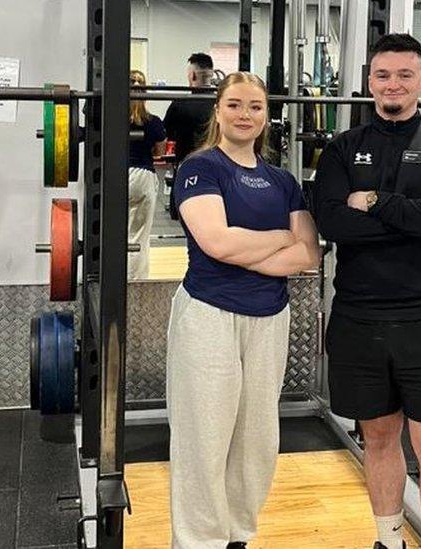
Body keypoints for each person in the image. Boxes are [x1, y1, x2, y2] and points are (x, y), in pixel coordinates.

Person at [310, 34, 421, 549]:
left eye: (405, 74)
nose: (393, 84)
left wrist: (375, 201)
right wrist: (409, 214)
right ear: (369, 82)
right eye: (383, 75)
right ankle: (389, 539)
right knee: (378, 440)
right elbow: (332, 221)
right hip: (358, 317)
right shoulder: (341, 148)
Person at [166, 71, 321, 549]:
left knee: (256, 439)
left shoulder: (282, 180)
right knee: (204, 435)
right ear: (217, 110)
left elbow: (310, 255)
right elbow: (215, 242)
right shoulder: (201, 169)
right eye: (234, 104)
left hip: (270, 318)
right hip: (209, 314)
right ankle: (198, 542)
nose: (244, 115)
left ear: (266, 115)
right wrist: (279, 239)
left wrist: (248, 249)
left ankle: (238, 536)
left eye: (254, 106)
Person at [164, 53, 217, 219]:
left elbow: (167, 134)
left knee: (186, 217)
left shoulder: (180, 103)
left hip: (188, 169)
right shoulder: (221, 105)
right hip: (218, 170)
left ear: (192, 75)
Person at [127, 69, 167, 279]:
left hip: (116, 175)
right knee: (139, 236)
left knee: (115, 232)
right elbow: (159, 152)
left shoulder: (112, 118)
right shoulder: (154, 122)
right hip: (143, 176)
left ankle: (111, 279)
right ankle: (135, 283)